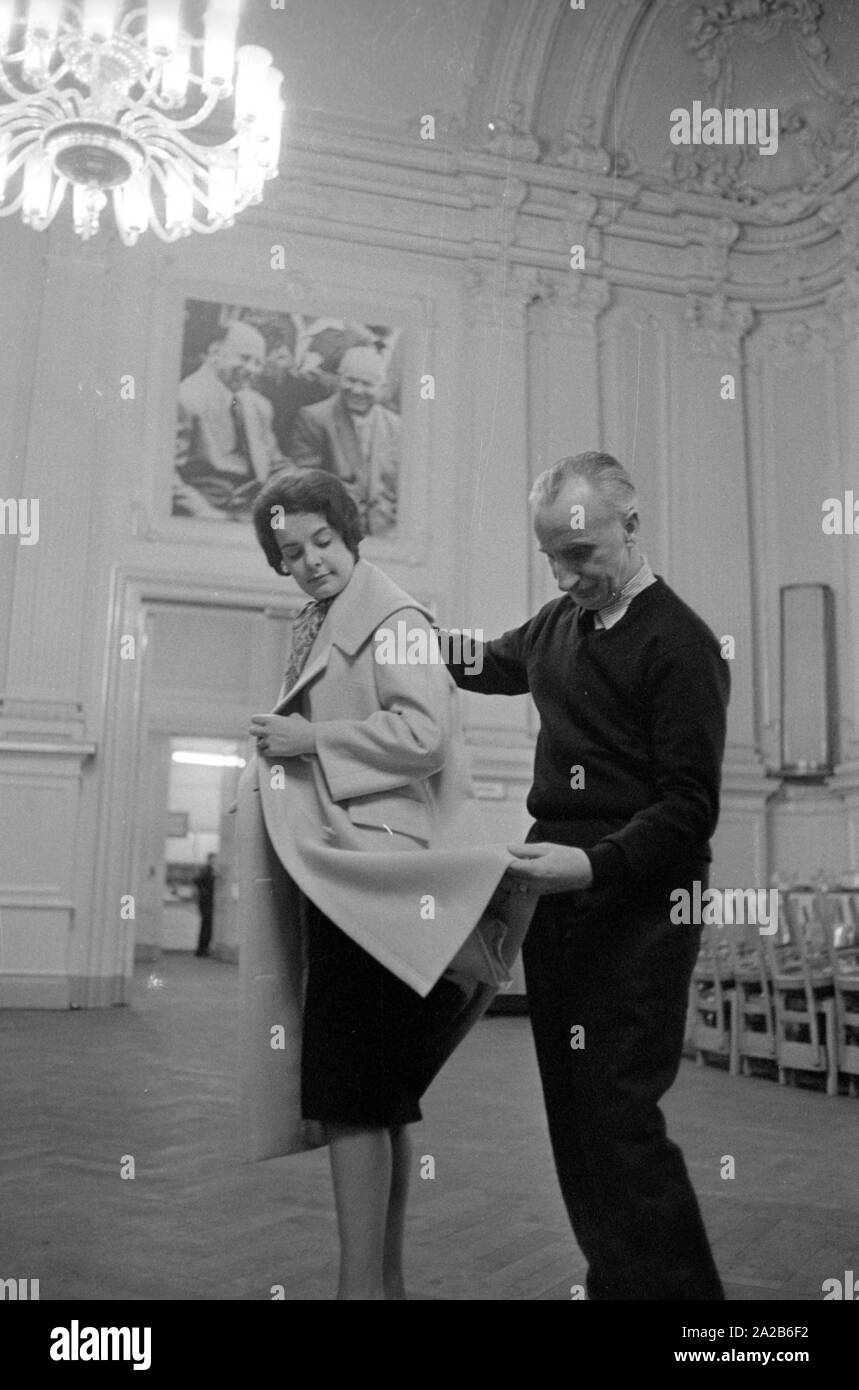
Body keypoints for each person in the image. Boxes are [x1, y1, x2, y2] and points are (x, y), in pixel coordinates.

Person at [235, 469, 534, 1300]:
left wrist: (308, 737)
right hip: (347, 877)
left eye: (321, 543)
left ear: (348, 532)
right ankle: (380, 1283)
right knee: (374, 1097)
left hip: (380, 883)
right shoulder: (323, 618)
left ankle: (357, 1289)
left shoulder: (394, 615)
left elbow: (424, 736)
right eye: (290, 553)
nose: (310, 563)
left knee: (353, 1098)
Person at [443, 451, 729, 1301]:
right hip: (556, 898)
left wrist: (593, 864)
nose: (565, 576)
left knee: (619, 1117)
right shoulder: (556, 624)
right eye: (550, 558)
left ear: (631, 527)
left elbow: (688, 809)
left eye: (579, 554)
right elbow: (485, 660)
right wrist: (399, 628)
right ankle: (621, 1286)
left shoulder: (680, 643)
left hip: (639, 906)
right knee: (573, 1115)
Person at [174, 321, 288, 522]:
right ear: (215, 352)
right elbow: (165, 474)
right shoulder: (185, 398)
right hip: (207, 512)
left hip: (254, 510)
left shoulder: (258, 405)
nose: (251, 369)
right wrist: (203, 511)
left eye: (258, 362)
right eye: (244, 358)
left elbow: (276, 466)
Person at [287, 346, 400, 536]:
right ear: (339, 378)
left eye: (367, 384)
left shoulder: (396, 426)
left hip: (386, 532)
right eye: (351, 380)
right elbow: (303, 483)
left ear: (383, 388)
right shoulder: (314, 418)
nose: (356, 390)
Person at [194, 853, 217, 958]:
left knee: (207, 926)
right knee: (206, 926)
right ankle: (202, 949)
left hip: (207, 901)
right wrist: (204, 892)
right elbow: (197, 881)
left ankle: (203, 948)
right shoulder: (207, 871)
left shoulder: (210, 871)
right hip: (206, 902)